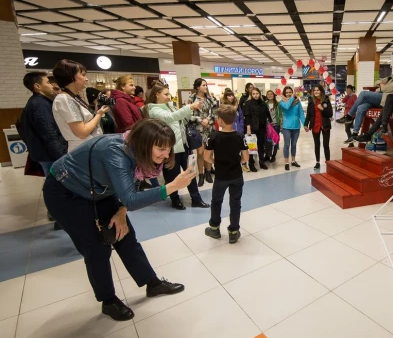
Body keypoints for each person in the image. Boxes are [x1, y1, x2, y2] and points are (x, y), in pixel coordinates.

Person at [43, 119, 194, 321]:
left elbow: (129, 191)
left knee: (126, 236)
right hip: (66, 193)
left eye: (168, 150)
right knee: (97, 248)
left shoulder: (137, 151)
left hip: (100, 190)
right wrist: (172, 186)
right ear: (144, 143)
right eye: (161, 149)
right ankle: (108, 300)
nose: (166, 155)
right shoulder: (115, 153)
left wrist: (121, 212)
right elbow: (131, 199)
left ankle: (152, 283)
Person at [143, 82, 209, 210]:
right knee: (171, 176)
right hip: (169, 149)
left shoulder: (170, 106)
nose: (169, 97)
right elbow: (171, 118)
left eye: (169, 94)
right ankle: (175, 199)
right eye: (166, 94)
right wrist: (189, 107)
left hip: (183, 144)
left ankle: (196, 198)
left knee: (190, 172)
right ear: (157, 94)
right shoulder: (153, 109)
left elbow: (182, 119)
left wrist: (191, 110)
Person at [203, 105, 249, 244]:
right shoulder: (240, 136)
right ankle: (234, 231)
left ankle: (214, 228)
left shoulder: (213, 136)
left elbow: (206, 157)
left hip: (221, 176)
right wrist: (236, 162)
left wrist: (216, 161)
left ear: (221, 121)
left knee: (216, 201)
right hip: (236, 175)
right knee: (235, 202)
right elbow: (246, 158)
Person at [343, 62, 393, 143]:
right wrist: (382, 84)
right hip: (380, 96)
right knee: (361, 107)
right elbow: (377, 81)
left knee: (363, 94)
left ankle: (349, 116)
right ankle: (354, 134)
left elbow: (390, 89)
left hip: (387, 99)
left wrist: (382, 87)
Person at [52, 59, 108, 152]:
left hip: (89, 147)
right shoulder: (65, 99)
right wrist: (98, 115)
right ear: (71, 77)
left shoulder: (72, 97)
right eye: (83, 75)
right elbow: (82, 132)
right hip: (83, 149)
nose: (86, 79)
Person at [21, 72, 67, 177]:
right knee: (57, 184)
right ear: (38, 86)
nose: (51, 86)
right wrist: (61, 157)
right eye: (48, 83)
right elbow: (49, 133)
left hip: (47, 153)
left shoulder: (39, 102)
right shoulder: (39, 105)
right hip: (49, 155)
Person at [188, 78, 218, 186]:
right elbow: (188, 114)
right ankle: (200, 174)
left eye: (206, 85)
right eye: (203, 85)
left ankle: (208, 173)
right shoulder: (191, 99)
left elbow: (215, 113)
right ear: (197, 87)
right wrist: (200, 120)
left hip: (209, 129)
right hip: (198, 129)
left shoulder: (211, 99)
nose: (206, 87)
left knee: (209, 151)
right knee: (200, 152)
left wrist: (208, 120)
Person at [304, 85, 333, 170]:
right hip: (315, 125)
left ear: (321, 91)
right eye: (314, 90)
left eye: (318, 90)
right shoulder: (311, 101)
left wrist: (322, 109)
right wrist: (306, 124)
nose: (316, 92)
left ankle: (328, 162)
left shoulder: (326, 100)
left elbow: (330, 114)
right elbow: (308, 114)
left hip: (325, 125)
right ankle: (317, 162)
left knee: (326, 144)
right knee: (317, 144)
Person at [244, 87, 272, 172]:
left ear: (259, 94)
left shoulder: (263, 103)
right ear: (251, 95)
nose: (256, 95)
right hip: (252, 128)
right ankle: (251, 163)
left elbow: (267, 113)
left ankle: (261, 162)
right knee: (252, 146)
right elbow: (247, 116)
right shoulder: (248, 103)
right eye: (254, 94)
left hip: (262, 127)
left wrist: (270, 122)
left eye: (257, 93)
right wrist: (248, 128)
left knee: (261, 145)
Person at [279, 85, 305, 171]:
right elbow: (287, 106)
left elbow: (301, 113)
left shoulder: (297, 102)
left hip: (296, 126)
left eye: (290, 92)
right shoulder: (282, 102)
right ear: (284, 94)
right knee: (287, 145)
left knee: (294, 145)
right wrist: (293, 97)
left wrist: (305, 124)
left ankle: (293, 161)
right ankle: (286, 162)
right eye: (287, 92)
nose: (289, 94)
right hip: (286, 126)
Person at [264, 90, 282, 162]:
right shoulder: (264, 104)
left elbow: (280, 115)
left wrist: (281, 125)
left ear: (274, 95)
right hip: (267, 126)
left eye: (271, 94)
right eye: (268, 94)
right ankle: (267, 155)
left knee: (275, 141)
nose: (270, 95)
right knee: (268, 142)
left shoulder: (277, 104)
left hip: (276, 126)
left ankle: (274, 155)